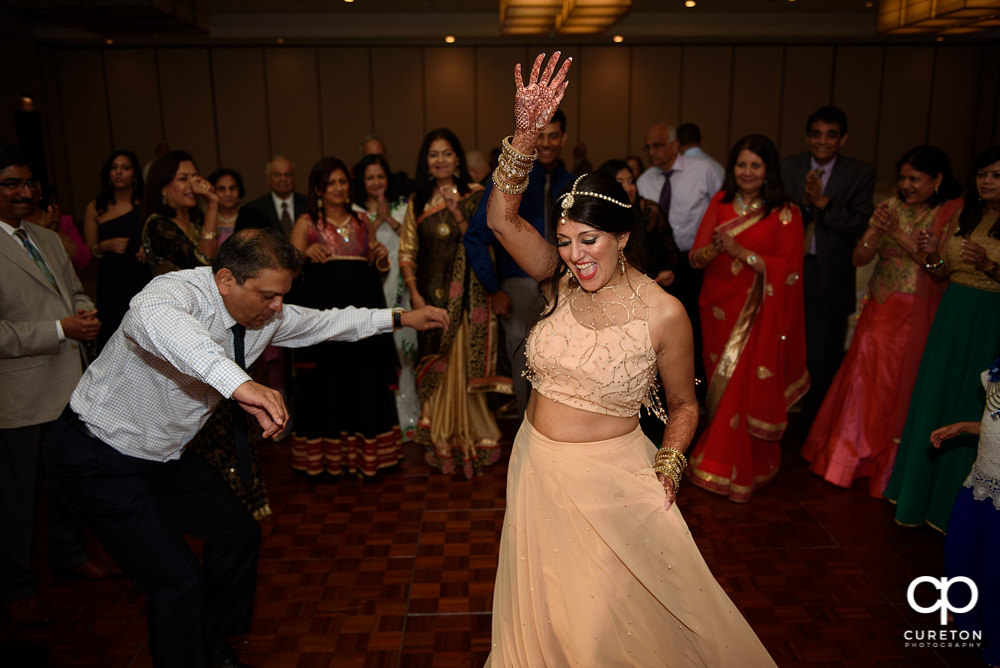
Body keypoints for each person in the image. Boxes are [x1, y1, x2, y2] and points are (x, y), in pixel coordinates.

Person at [483, 53, 776, 667]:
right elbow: (500, 219)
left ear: (620, 236)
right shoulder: (559, 281)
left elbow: (686, 404)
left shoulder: (664, 313)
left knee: (598, 633)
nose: (574, 255)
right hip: (536, 467)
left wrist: (669, 464)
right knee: (545, 619)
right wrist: (526, 137)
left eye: (587, 241)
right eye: (564, 242)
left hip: (611, 482)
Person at [45, 227, 448, 668]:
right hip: (98, 456)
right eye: (268, 296)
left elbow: (326, 321)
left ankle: (215, 646)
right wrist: (242, 385)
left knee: (239, 534)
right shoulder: (172, 294)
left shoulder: (264, 316)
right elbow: (164, 328)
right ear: (225, 281)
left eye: (282, 296)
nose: (277, 307)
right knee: (177, 579)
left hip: (164, 458)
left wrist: (402, 318)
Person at [802, 145, 962, 497]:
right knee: (864, 378)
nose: (906, 185)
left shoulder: (948, 214)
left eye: (914, 179)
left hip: (915, 313)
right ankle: (847, 457)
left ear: (937, 180)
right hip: (879, 306)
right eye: (903, 178)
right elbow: (859, 257)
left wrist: (901, 236)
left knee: (898, 385)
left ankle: (886, 464)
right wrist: (876, 230)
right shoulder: (889, 207)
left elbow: (937, 271)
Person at [0, 143, 115, 627]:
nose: (25, 193)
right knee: (17, 497)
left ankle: (69, 555)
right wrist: (59, 330)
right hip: (20, 395)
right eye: (12, 184)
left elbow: (73, 288)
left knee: (70, 483)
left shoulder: (45, 238)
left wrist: (83, 312)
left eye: (30, 184)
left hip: (71, 385)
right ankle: (15, 583)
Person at [687, 134, 808, 502]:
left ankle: (732, 464)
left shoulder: (785, 212)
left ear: (768, 169)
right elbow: (695, 258)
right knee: (720, 388)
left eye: (756, 165)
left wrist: (741, 252)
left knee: (745, 384)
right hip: (717, 307)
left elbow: (789, 270)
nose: (748, 172)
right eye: (742, 164)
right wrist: (715, 249)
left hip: (757, 312)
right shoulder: (720, 202)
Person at [885, 146, 1000, 532]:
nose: (987, 181)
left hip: (991, 320)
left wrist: (988, 265)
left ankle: (956, 507)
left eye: (997, 175)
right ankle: (918, 495)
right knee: (939, 395)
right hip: (953, 315)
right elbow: (939, 272)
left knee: (974, 402)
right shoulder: (966, 214)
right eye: (983, 174)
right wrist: (933, 255)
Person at [400, 128, 510, 476]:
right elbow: (407, 253)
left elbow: (486, 243)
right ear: (426, 162)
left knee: (466, 364)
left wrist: (458, 212)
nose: (441, 160)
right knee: (439, 363)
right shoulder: (417, 202)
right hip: (431, 299)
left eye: (447, 153)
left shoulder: (477, 196)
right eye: (434, 154)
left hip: (471, 299)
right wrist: (415, 294)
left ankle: (477, 435)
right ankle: (442, 437)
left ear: (457, 159)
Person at [288, 157, 402, 477]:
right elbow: (288, 272)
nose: (339, 188)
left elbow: (377, 270)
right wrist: (304, 255)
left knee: (364, 382)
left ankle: (367, 458)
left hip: (362, 320)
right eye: (331, 183)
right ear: (318, 189)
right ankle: (328, 461)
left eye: (343, 182)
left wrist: (380, 258)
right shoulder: (306, 224)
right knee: (327, 386)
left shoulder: (363, 221)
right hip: (323, 324)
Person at [466, 109, 573, 417]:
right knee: (524, 359)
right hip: (520, 286)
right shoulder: (510, 182)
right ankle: (530, 428)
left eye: (554, 136)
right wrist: (494, 288)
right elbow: (476, 237)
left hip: (568, 286)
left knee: (566, 358)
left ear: (563, 138)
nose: (547, 143)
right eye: (541, 136)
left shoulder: (573, 182)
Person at [781, 106, 876, 425]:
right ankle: (776, 422)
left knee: (823, 357)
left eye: (830, 135)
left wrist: (824, 203)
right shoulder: (788, 166)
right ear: (808, 136)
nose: (822, 141)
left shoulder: (860, 173)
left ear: (843, 139)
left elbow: (861, 222)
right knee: (783, 347)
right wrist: (804, 206)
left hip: (832, 275)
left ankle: (814, 428)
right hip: (789, 271)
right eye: (816, 134)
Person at [637, 122, 723, 392]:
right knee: (657, 329)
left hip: (694, 262)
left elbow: (720, 211)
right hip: (656, 265)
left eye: (658, 145)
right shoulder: (645, 180)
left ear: (675, 145)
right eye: (648, 147)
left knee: (692, 328)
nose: (652, 152)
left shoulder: (703, 171)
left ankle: (695, 391)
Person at [935, 359, 1000, 668]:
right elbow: (992, 422)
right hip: (980, 481)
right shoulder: (994, 376)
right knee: (960, 548)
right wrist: (963, 427)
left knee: (995, 573)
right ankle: (969, 622)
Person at [352, 153, 420, 438]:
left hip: (401, 288)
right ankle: (384, 420)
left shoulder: (403, 207)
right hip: (370, 288)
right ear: (362, 181)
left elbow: (413, 240)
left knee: (404, 355)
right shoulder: (354, 212)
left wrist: (387, 219)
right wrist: (372, 222)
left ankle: (410, 418)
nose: (376, 182)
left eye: (381, 176)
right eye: (370, 177)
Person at [83, 149, 150, 349]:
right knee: (112, 331)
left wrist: (148, 248)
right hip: (111, 278)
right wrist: (103, 246)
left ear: (135, 174)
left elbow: (157, 236)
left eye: (125, 168)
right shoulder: (95, 207)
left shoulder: (145, 205)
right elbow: (89, 251)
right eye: (114, 168)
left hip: (141, 275)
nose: (118, 172)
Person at [141, 150, 220, 276]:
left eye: (195, 177)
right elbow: (203, 265)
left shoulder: (196, 219)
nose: (192, 185)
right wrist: (212, 205)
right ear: (162, 187)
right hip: (172, 295)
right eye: (183, 179)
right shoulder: (159, 225)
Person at [244, 155, 308, 237]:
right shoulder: (254, 209)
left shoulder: (309, 204)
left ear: (294, 177)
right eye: (277, 175)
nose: (283, 179)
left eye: (288, 175)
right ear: (267, 178)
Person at [208, 167, 246, 246]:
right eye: (222, 189)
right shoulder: (206, 219)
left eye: (232, 188)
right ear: (212, 191)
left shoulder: (252, 216)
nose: (228, 193)